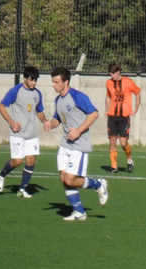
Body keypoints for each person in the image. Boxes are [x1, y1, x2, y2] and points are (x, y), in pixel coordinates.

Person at [43, 67, 108, 221]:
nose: (53, 85)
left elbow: (94, 114)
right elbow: (57, 119)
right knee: (64, 178)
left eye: (56, 82)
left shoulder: (78, 96)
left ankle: (98, 184)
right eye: (52, 82)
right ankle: (79, 212)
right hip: (65, 144)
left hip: (79, 145)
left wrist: (78, 130)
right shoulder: (58, 99)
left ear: (66, 82)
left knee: (70, 180)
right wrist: (49, 124)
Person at [0, 66, 48, 198]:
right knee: (17, 161)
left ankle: (22, 189)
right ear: (25, 78)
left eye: (35, 80)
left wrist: (45, 121)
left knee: (30, 161)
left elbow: (39, 111)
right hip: (18, 133)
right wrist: (11, 123)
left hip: (32, 134)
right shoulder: (16, 91)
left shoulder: (37, 93)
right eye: (31, 80)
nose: (34, 83)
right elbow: (1, 106)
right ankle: (1, 175)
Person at [105, 62, 141, 173]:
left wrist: (135, 109)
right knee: (112, 141)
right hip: (112, 116)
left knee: (123, 142)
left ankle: (129, 159)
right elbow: (108, 96)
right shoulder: (109, 83)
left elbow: (138, 93)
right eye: (110, 74)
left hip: (124, 116)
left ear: (118, 72)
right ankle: (114, 166)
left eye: (113, 74)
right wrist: (106, 109)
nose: (112, 76)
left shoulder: (128, 82)